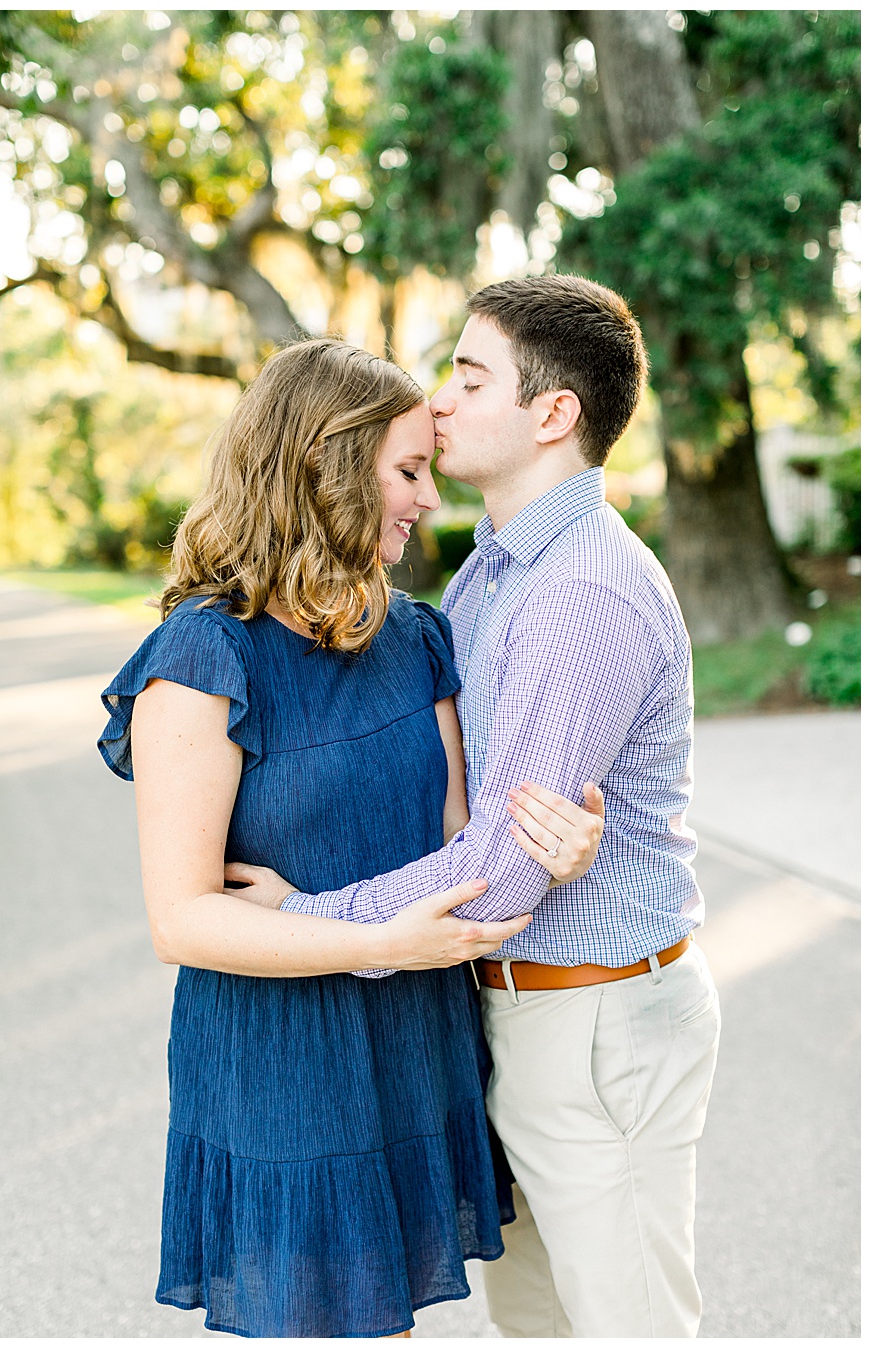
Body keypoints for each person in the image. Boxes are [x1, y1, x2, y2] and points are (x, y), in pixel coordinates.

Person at [97, 337, 605, 1338]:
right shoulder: (204, 656)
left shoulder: (415, 636)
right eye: (408, 471)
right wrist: (378, 941)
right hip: (287, 1065)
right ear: (327, 465)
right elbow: (181, 919)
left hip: (415, 1043)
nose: (429, 498)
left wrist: (561, 849)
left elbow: (463, 841)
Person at [257, 275, 719, 1337]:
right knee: (539, 1325)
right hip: (513, 1012)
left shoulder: (580, 591)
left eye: (471, 379)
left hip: (594, 1022)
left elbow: (500, 872)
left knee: (633, 1326)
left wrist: (301, 918)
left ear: (553, 414)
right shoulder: (492, 575)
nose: (440, 401)